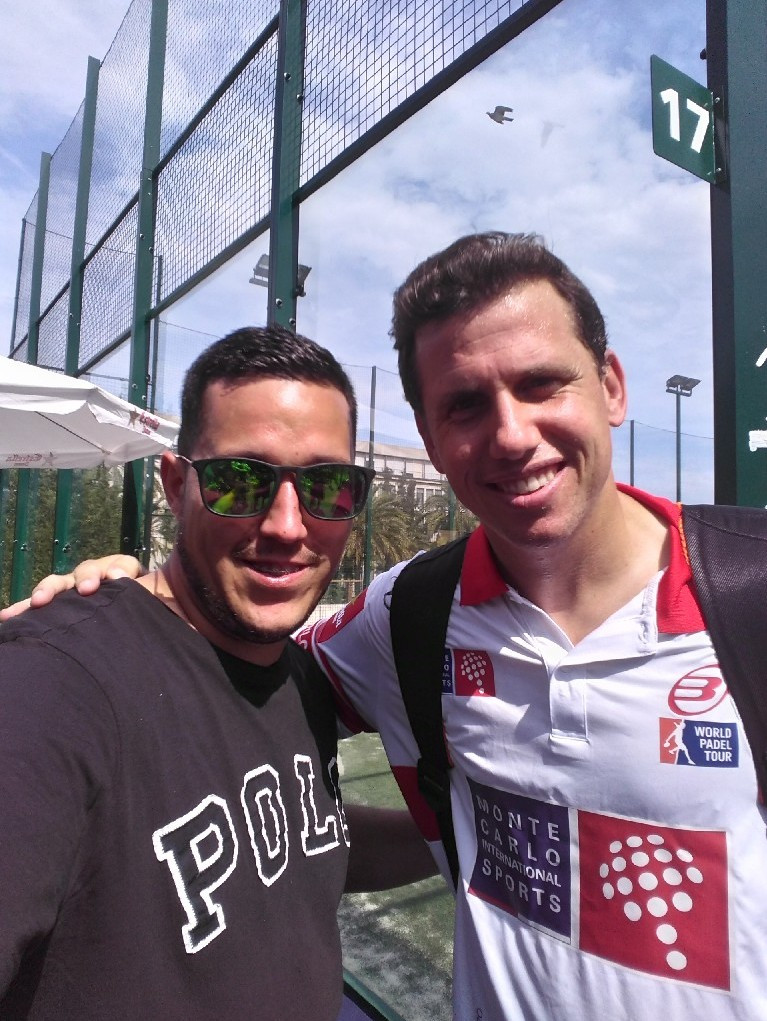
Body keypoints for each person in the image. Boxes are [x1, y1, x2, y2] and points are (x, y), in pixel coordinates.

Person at [8, 233, 767, 1020]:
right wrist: (128, 595)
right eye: (465, 404)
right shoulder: (406, 617)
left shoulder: (748, 592)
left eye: (540, 383)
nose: (511, 433)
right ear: (431, 437)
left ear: (610, 386)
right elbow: (216, 658)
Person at [0, 325, 435, 1020]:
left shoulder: (300, 675)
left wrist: (462, 835)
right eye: (241, 482)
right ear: (176, 486)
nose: (288, 526)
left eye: (327, 486)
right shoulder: (52, 684)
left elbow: (300, 838)